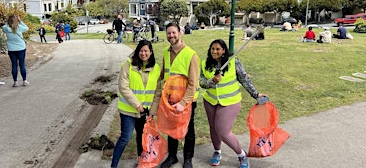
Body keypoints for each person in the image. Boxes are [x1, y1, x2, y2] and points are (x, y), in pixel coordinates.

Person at [200, 39, 267, 168]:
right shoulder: (204, 63)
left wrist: (255, 94)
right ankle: (217, 151)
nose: (215, 51)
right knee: (213, 128)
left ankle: (241, 154)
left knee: (223, 131)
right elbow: (202, 82)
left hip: (230, 102)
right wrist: (212, 81)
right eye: (212, 48)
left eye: (218, 49)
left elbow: (244, 79)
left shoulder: (233, 62)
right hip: (210, 101)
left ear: (224, 50)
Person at [151, 22, 199, 168]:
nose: (171, 36)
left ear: (180, 33)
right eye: (168, 33)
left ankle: (188, 158)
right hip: (170, 100)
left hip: (186, 101)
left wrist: (183, 103)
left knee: (188, 130)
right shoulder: (166, 52)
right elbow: (163, 74)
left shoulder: (191, 55)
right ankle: (172, 157)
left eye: (173, 32)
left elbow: (193, 83)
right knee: (171, 129)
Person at [110, 40, 161, 168]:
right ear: (137, 51)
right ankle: (114, 165)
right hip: (128, 110)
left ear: (151, 52)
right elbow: (123, 87)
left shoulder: (156, 68)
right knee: (125, 138)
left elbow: (157, 92)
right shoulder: (127, 65)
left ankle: (141, 163)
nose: (143, 53)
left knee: (142, 138)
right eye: (141, 51)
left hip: (145, 111)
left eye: (146, 51)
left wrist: (152, 112)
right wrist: (137, 105)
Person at [2, 15, 30, 87]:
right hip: (21, 48)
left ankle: (15, 81)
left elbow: (4, 27)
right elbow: (27, 28)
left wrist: (8, 22)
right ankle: (24, 80)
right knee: (22, 65)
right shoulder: (19, 27)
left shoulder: (5, 28)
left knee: (14, 65)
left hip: (11, 49)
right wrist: (20, 21)